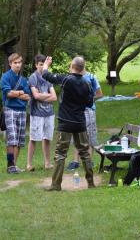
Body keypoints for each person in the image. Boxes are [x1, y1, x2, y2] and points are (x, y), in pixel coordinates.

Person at [42, 56, 95, 191]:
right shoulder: (87, 83)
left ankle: (55, 185)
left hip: (65, 122)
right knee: (84, 152)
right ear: (83, 68)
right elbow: (89, 103)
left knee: (60, 153)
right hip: (80, 123)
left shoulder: (66, 79)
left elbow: (46, 75)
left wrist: (46, 64)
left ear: (72, 65)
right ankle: (91, 183)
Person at [0, 53, 31, 174]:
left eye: (19, 62)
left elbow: (28, 96)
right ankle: (10, 165)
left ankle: (15, 165)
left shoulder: (23, 79)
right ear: (10, 64)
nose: (18, 65)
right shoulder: (5, 77)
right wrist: (20, 93)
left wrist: (16, 93)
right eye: (15, 63)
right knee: (11, 138)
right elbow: (8, 93)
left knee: (19, 139)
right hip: (10, 109)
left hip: (22, 110)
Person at [67, 71, 103, 170]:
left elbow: (100, 94)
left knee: (89, 135)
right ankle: (75, 162)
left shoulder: (91, 77)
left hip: (89, 110)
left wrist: (87, 99)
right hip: (76, 111)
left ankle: (89, 162)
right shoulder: (71, 78)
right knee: (76, 135)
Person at [26, 54, 57, 171]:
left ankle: (47, 163)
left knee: (47, 138)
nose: (41, 67)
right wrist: (47, 95)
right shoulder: (33, 77)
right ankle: (29, 164)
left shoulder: (48, 77)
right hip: (37, 113)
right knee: (34, 139)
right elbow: (36, 95)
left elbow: (54, 98)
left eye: (43, 65)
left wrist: (43, 96)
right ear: (36, 65)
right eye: (40, 65)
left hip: (49, 113)